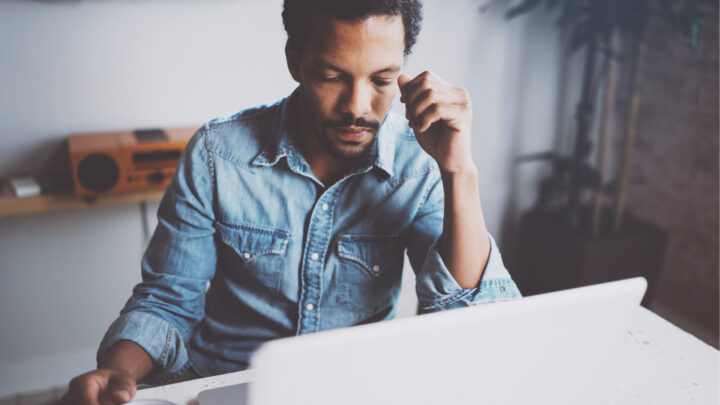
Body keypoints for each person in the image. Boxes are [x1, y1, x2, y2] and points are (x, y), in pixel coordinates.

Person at [61, 0, 521, 403]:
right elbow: (167, 301)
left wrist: (459, 170)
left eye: (382, 79)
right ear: (295, 61)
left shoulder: (417, 164)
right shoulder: (217, 155)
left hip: (353, 388)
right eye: (330, 75)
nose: (357, 107)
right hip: (225, 381)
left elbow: (470, 320)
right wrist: (119, 372)